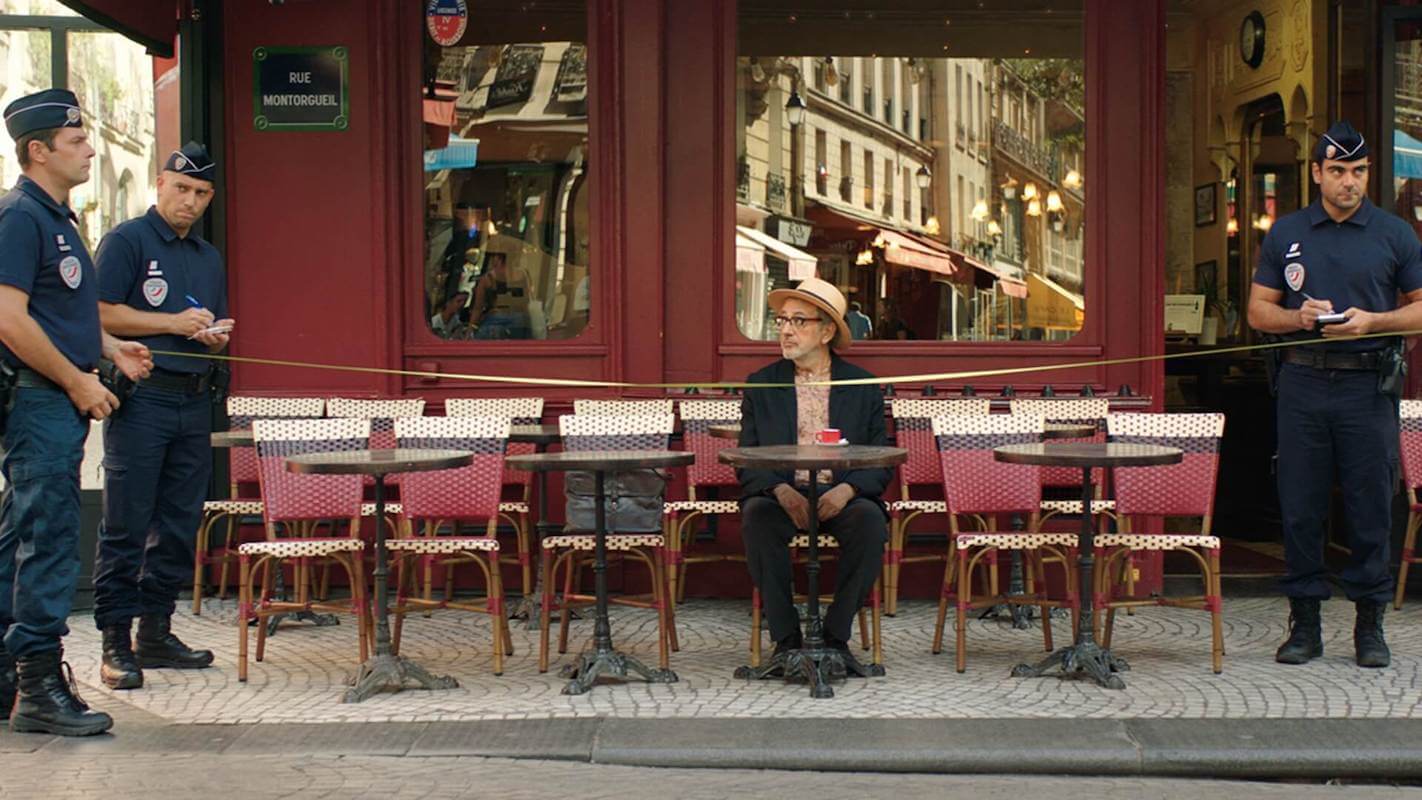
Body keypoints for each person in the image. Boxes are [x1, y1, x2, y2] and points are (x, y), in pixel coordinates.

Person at [0, 88, 152, 736]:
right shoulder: (20, 217)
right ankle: (38, 686)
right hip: (40, 401)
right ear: (39, 150)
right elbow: (7, 318)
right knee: (49, 542)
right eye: (77, 140)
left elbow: (55, 313)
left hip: (52, 398)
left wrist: (111, 345)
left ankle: (8, 677)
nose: (90, 148)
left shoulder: (58, 218)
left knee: (18, 541)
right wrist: (77, 381)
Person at [1247, 120, 1422, 669]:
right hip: (1302, 379)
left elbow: (1420, 307)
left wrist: (1374, 322)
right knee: (1300, 506)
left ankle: (1370, 624)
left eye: (1360, 171)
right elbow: (1257, 312)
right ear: (1318, 173)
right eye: (1340, 171)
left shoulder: (1395, 234)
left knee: (1371, 505)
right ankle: (1305, 624)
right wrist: (1295, 316)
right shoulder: (1287, 232)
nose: (1351, 182)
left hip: (1368, 383)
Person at [91, 142, 233, 690]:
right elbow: (98, 312)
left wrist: (215, 337)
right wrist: (173, 323)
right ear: (160, 184)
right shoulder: (128, 240)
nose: (189, 202)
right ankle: (113, 642)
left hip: (195, 396)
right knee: (126, 523)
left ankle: (155, 631)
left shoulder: (207, 256)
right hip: (142, 397)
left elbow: (207, 331)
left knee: (178, 523)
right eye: (181, 189)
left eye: (200, 193)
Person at [736, 276, 889, 667]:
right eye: (782, 320)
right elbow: (747, 458)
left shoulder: (862, 386)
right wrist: (780, 492)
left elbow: (881, 457)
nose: (786, 330)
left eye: (798, 321)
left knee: (871, 523)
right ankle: (786, 641)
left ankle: (836, 638)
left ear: (826, 331)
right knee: (757, 518)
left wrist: (848, 491)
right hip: (782, 493)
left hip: (841, 493)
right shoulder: (762, 384)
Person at [469, 250, 534, 339]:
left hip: (494, 321)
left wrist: (470, 329)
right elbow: (528, 301)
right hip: (519, 322)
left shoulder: (488, 278)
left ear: (498, 257)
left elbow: (477, 308)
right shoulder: (523, 274)